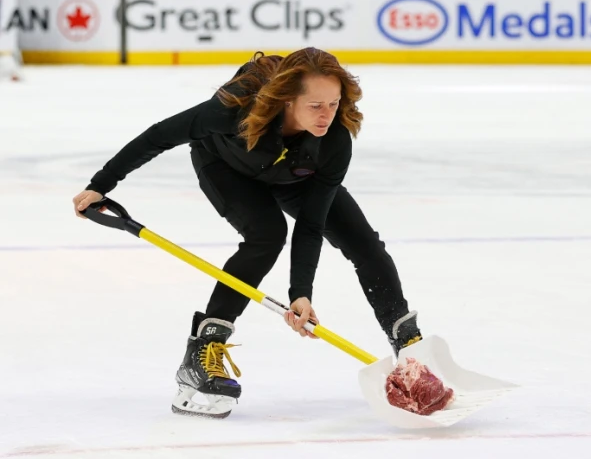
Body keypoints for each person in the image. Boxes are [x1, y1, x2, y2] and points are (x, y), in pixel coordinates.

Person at [72, 47, 422, 419]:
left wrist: (300, 293)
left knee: (363, 242)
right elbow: (158, 136)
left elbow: (311, 223)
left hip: (293, 176)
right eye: (315, 105)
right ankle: (204, 350)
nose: (326, 115)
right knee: (266, 235)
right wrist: (101, 184)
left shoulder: (334, 141)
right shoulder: (233, 109)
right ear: (288, 99)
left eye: (334, 104)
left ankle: (410, 345)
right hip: (227, 168)